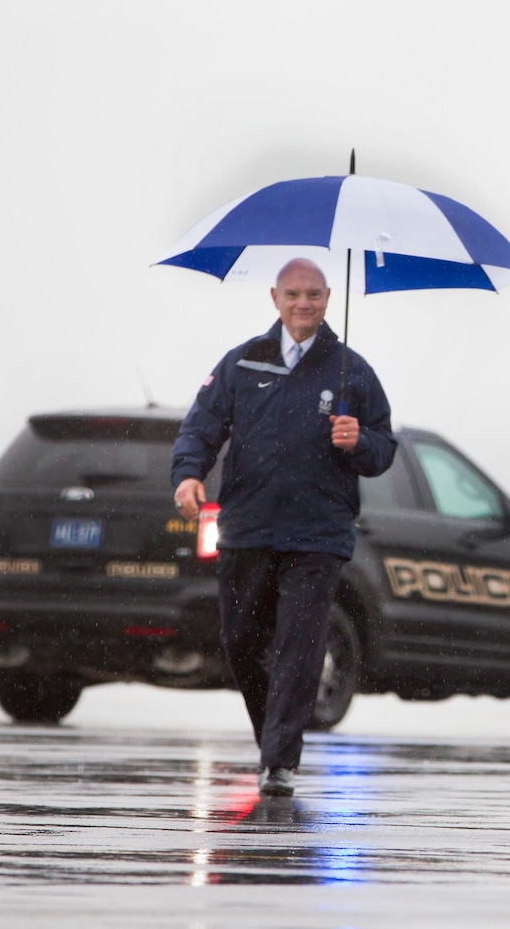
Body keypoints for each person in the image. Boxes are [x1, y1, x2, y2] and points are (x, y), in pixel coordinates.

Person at [171, 258, 396, 797]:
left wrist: (358, 440)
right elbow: (201, 427)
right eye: (293, 294)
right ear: (274, 297)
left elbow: (384, 448)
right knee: (240, 642)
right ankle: (273, 738)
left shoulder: (352, 371)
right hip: (247, 527)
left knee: (300, 645)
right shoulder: (243, 361)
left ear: (328, 297)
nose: (303, 304)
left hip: (317, 534)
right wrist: (187, 476)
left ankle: (279, 763)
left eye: (313, 294)